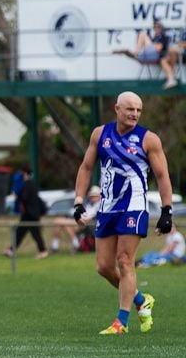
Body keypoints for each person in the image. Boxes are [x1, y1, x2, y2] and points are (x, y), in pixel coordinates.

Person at [73, 91, 173, 334]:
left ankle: (121, 322)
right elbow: (86, 167)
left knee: (125, 261)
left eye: (139, 110)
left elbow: (161, 175)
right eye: (130, 109)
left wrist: (166, 209)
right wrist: (78, 201)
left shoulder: (149, 139)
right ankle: (141, 300)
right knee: (104, 267)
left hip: (134, 206)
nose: (135, 114)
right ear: (116, 108)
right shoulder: (100, 134)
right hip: (107, 208)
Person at [113, 20, 177, 89]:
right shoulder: (155, 37)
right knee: (142, 36)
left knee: (142, 35)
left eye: (158, 27)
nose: (156, 28)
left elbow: (159, 47)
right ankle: (133, 53)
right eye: (154, 27)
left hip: (156, 55)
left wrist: (150, 45)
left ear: (161, 28)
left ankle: (135, 53)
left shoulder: (163, 37)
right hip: (149, 54)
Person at [3, 164, 48, 259]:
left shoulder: (27, 184)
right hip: (30, 213)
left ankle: (43, 251)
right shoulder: (32, 184)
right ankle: (11, 250)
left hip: (30, 214)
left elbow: (24, 198)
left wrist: (17, 196)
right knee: (20, 232)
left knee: (34, 233)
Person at [50, 186, 102, 253]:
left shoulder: (99, 205)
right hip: (81, 221)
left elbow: (91, 217)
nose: (93, 198)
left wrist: (81, 218)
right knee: (63, 224)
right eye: (92, 196)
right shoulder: (88, 204)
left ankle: (57, 245)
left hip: (89, 224)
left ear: (99, 196)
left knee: (58, 221)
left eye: (95, 196)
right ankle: (71, 245)